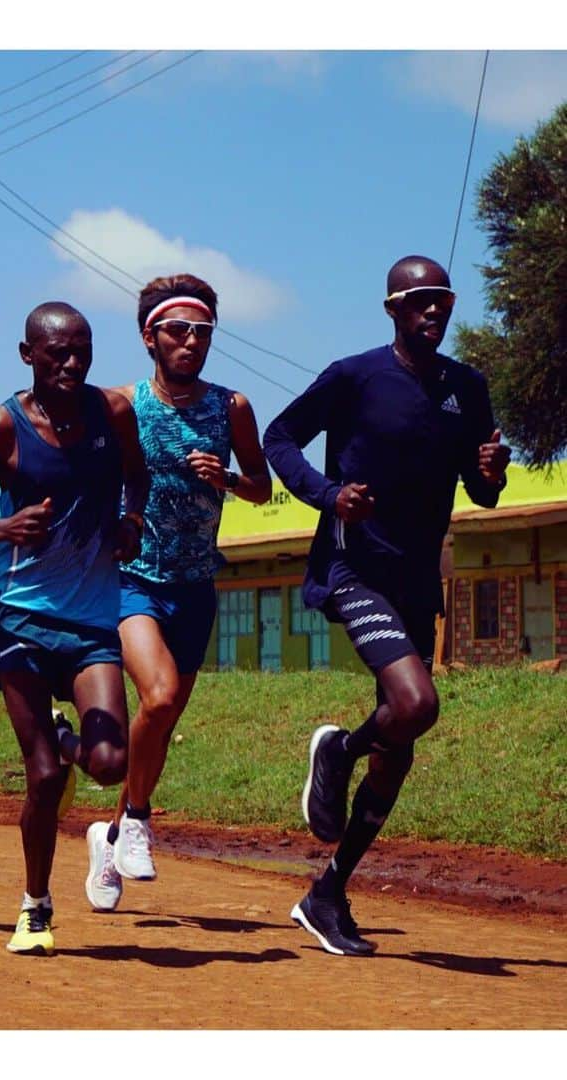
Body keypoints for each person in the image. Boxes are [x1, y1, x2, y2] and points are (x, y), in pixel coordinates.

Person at [264, 256, 510, 956]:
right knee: (417, 705)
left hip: (416, 580)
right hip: (355, 567)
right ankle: (337, 751)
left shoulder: (468, 388)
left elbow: (482, 490)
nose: (433, 312)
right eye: (419, 301)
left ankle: (327, 892)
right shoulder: (354, 376)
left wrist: (491, 473)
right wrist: (327, 493)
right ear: (393, 310)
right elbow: (280, 436)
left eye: (443, 302)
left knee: (398, 749)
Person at [0, 301, 148, 956]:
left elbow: (138, 475)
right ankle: (36, 905)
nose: (71, 362)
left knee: (108, 765)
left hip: (91, 623)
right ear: (28, 354)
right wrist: (3, 528)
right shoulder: (3, 428)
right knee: (46, 777)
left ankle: (66, 742)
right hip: (19, 617)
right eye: (57, 352)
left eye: (81, 349)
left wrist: (132, 522)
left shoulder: (113, 414)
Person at [84, 274, 272, 912]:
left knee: (159, 726)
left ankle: (110, 838)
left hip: (196, 586)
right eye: (177, 331)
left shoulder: (232, 408)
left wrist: (228, 478)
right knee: (158, 696)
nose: (191, 342)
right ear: (149, 338)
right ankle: (137, 818)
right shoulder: (121, 405)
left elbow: (262, 487)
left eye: (202, 333)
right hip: (133, 581)